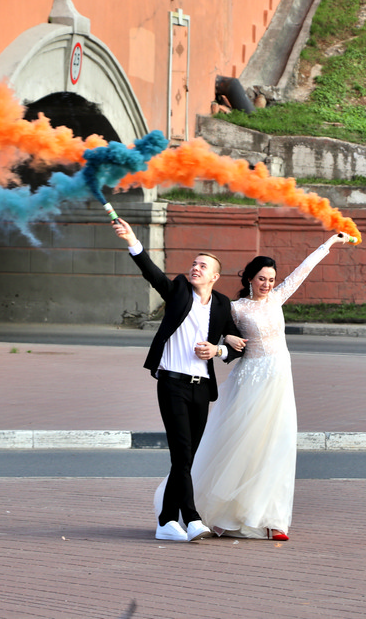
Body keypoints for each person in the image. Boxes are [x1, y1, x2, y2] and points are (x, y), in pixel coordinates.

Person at [187, 232, 351, 541]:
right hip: (250, 381)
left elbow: (303, 270)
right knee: (242, 444)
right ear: (250, 278)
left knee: (277, 446)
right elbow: (210, 327)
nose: (267, 284)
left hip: (279, 380)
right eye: (262, 279)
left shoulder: (278, 297)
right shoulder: (236, 308)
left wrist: (329, 243)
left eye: (271, 279)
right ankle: (221, 514)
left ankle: (274, 520)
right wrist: (225, 338)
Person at [112, 216, 243, 542]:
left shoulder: (222, 304)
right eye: (194, 264)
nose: (195, 268)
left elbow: (235, 345)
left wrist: (217, 350)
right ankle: (192, 518)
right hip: (172, 384)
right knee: (182, 454)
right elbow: (152, 274)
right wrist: (132, 241)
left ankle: (166, 521)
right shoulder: (179, 291)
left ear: (215, 276)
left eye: (202, 266)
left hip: (202, 389)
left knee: (187, 458)